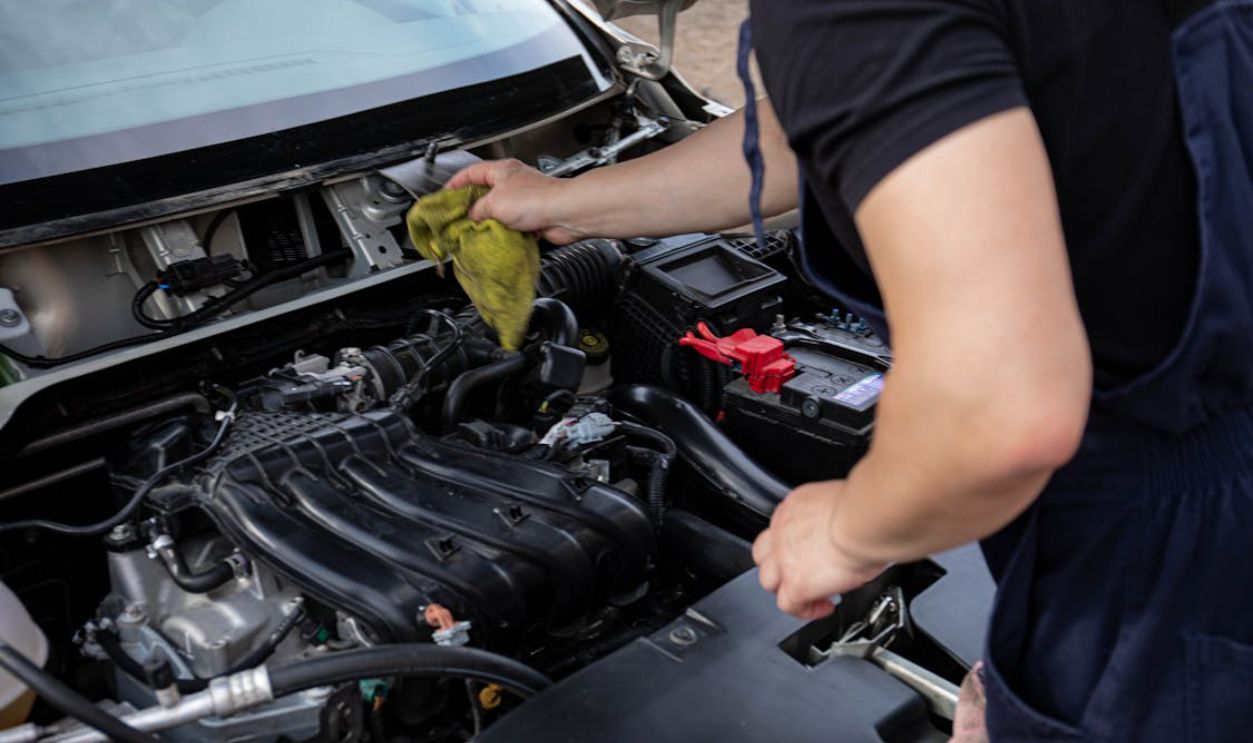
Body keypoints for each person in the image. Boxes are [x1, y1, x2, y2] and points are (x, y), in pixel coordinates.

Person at [448, 1, 1253, 739]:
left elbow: (1001, 411)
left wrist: (846, 527)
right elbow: (829, 121)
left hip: (1164, 552)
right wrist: (562, 202)